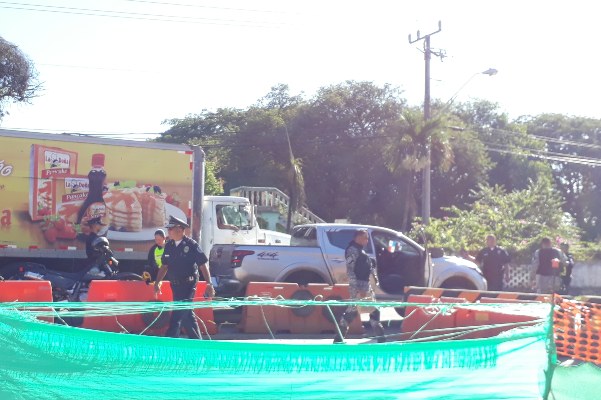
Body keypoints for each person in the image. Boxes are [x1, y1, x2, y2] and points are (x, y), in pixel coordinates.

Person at [154, 216, 215, 339]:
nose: (168, 231)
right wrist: (157, 282)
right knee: (187, 315)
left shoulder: (191, 245)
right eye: (168, 229)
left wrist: (209, 284)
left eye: (171, 229)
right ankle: (197, 343)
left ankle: (170, 341)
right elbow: (164, 266)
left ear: (180, 229)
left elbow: (202, 265)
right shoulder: (169, 245)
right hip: (175, 285)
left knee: (178, 312)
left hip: (189, 284)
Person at [334, 229, 385, 344]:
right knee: (367, 311)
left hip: (365, 285)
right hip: (359, 286)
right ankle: (381, 340)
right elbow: (350, 270)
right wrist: (357, 288)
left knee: (356, 311)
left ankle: (338, 338)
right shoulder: (352, 250)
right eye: (365, 238)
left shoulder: (360, 250)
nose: (367, 241)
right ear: (358, 237)